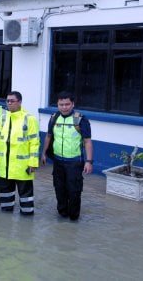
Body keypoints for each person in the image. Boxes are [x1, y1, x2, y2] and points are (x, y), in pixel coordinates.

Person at [41, 91, 93, 221]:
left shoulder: (79, 118)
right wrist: (43, 154)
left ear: (73, 104)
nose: (64, 107)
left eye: (67, 104)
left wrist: (89, 161)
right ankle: (62, 214)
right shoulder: (54, 118)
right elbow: (48, 136)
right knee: (59, 188)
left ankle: (74, 217)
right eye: (61, 104)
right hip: (58, 161)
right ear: (57, 105)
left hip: (74, 163)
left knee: (74, 190)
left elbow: (87, 141)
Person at [0, 91, 39, 215]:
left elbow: (34, 143)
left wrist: (33, 163)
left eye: (12, 101)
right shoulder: (2, 118)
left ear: (20, 102)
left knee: (26, 198)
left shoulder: (29, 119)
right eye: (8, 101)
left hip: (22, 167)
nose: (9, 103)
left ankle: (27, 224)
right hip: (4, 166)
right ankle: (6, 223)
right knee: (6, 199)